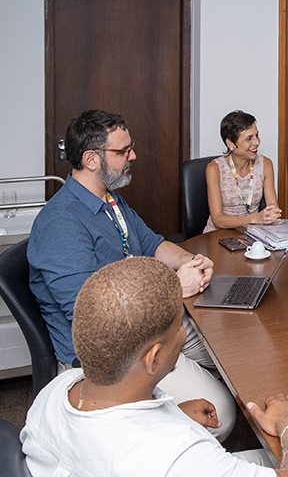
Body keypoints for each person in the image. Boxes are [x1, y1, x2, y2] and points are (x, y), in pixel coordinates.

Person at [27, 109, 237, 441]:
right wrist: (172, 287)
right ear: (91, 159)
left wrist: (190, 260)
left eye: (131, 146)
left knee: (236, 350)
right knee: (221, 415)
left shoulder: (112, 202)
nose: (133, 156)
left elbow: (153, 244)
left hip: (149, 326)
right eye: (123, 151)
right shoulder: (60, 224)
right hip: (116, 354)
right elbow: (94, 316)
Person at [21, 257, 288, 477]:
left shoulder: (55, 392)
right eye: (178, 326)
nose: (184, 333)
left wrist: (176, 414)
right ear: (153, 357)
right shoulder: (179, 457)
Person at [204, 110, 282, 232]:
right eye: (249, 138)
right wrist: (254, 218)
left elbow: (273, 209)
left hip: (252, 234)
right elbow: (217, 220)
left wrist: (271, 216)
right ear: (230, 143)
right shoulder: (214, 169)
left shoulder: (265, 164)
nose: (257, 142)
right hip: (218, 235)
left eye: (257, 135)